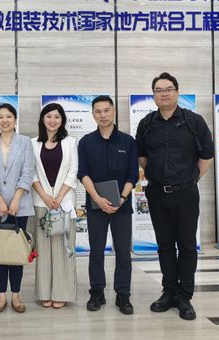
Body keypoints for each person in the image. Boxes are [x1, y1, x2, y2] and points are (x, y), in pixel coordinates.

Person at [136, 72, 214, 321]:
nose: (164, 94)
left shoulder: (194, 121)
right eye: (159, 90)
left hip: (186, 193)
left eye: (169, 89)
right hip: (157, 193)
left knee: (187, 245)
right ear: (153, 96)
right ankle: (168, 291)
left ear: (177, 93)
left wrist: (190, 180)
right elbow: (142, 157)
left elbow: (206, 155)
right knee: (165, 244)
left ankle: (184, 296)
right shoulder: (147, 123)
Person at [78, 95, 138, 315]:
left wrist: (122, 198)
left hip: (122, 205)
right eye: (98, 111)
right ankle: (97, 292)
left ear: (113, 111)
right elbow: (83, 173)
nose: (102, 115)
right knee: (96, 250)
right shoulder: (86, 142)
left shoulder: (128, 141)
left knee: (123, 252)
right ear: (93, 114)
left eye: (106, 110)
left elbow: (133, 174)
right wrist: (97, 198)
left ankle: (123, 294)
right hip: (96, 206)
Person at [0, 103, 35, 313]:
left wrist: (16, 198)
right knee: (0, 251)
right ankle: (1, 296)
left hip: (19, 205)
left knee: (16, 251)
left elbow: (28, 171)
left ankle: (16, 296)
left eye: (9, 116)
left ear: (15, 119)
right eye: (1, 117)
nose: (5, 120)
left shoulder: (25, 143)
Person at [30, 103, 78, 309]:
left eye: (57, 117)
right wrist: (46, 197)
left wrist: (57, 197)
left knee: (64, 248)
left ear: (62, 120)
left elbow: (73, 172)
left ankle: (62, 292)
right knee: (43, 249)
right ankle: (44, 292)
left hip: (64, 203)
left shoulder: (70, 143)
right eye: (48, 116)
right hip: (41, 202)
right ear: (43, 119)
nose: (52, 120)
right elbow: (31, 173)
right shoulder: (32, 143)